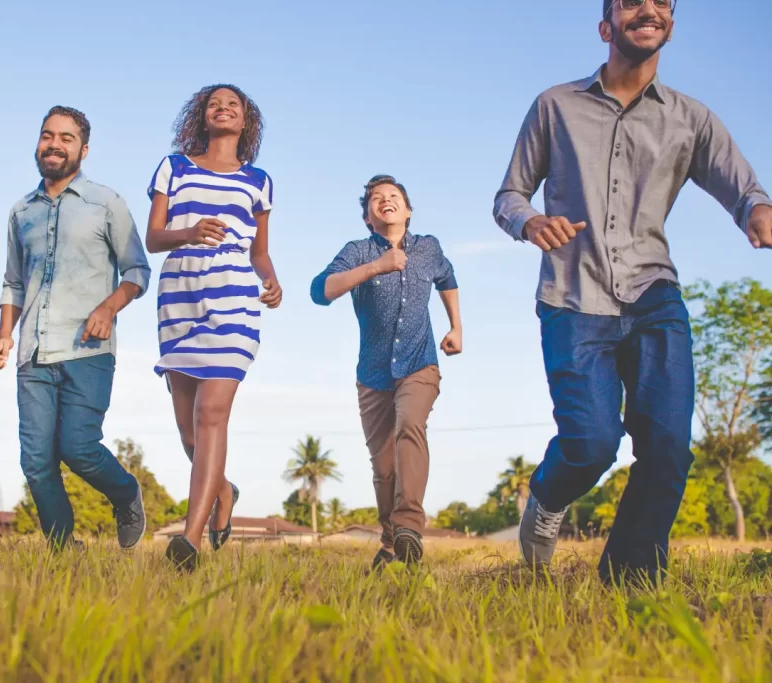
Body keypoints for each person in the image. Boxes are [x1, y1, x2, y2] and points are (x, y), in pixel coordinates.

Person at [494, 0, 772, 584]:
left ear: (669, 22)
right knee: (592, 442)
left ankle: (630, 581)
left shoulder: (690, 118)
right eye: (630, 1)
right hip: (573, 296)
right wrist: (531, 222)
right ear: (606, 26)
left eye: (661, 1)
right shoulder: (555, 106)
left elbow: (743, 186)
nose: (648, 7)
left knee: (669, 448)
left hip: (653, 294)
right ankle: (546, 499)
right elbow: (509, 196)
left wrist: (757, 211)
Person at [0, 106, 151, 551]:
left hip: (88, 350)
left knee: (78, 447)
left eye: (66, 137)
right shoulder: (21, 211)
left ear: (83, 148)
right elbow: (13, 281)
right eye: (47, 135)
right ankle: (64, 551)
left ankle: (125, 493)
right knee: (37, 461)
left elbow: (138, 269)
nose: (54, 144)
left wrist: (110, 307)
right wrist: (5, 335)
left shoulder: (106, 202)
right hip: (33, 353)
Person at [145, 84, 282, 570]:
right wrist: (188, 232)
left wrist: (270, 281)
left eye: (234, 105)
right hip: (179, 295)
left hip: (233, 298)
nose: (223, 109)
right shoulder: (174, 167)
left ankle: (191, 539)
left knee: (211, 417)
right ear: (202, 117)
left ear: (246, 122)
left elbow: (259, 251)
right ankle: (224, 491)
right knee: (188, 434)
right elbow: (153, 237)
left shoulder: (259, 180)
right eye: (214, 104)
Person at [311, 175, 462, 569]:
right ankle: (392, 544)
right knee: (383, 466)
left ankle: (409, 525)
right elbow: (320, 291)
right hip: (373, 373)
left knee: (411, 424)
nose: (385, 201)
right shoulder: (358, 251)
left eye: (393, 196)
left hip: (420, 363)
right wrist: (375, 267)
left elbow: (447, 277)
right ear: (368, 217)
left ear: (407, 210)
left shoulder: (429, 248)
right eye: (376, 199)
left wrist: (456, 326)